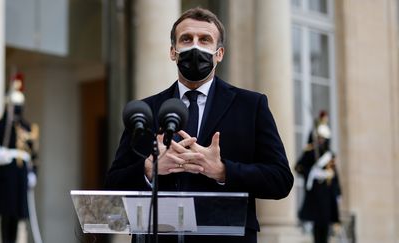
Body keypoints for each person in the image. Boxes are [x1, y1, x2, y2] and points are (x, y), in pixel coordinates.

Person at [105, 7, 293, 243]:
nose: (195, 47)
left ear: (219, 53)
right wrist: (149, 169)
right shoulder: (146, 110)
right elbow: (113, 183)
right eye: (186, 39)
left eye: (205, 40)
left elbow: (280, 180)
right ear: (173, 52)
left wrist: (223, 170)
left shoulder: (251, 105)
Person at [0, 74, 39, 243]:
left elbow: (34, 156)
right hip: (7, 173)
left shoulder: (28, 127)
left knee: (18, 215)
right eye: (14, 106)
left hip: (21, 174)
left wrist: (34, 174)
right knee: (6, 213)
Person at [295, 111, 341, 243]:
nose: (321, 140)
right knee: (317, 227)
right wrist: (312, 172)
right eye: (319, 138)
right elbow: (298, 167)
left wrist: (338, 192)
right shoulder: (310, 152)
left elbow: (335, 176)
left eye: (323, 138)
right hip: (315, 195)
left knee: (326, 226)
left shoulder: (330, 155)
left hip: (327, 195)